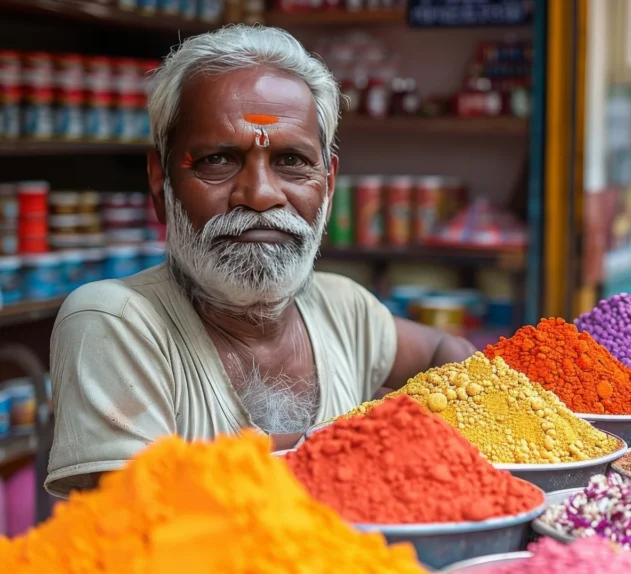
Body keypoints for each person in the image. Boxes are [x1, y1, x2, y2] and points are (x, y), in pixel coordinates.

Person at [45, 25, 476, 497]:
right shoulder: (116, 320)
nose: (260, 195)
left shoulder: (343, 307)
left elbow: (444, 353)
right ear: (159, 181)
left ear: (328, 184)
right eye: (217, 160)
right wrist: (372, 437)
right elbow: (142, 514)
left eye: (292, 161)